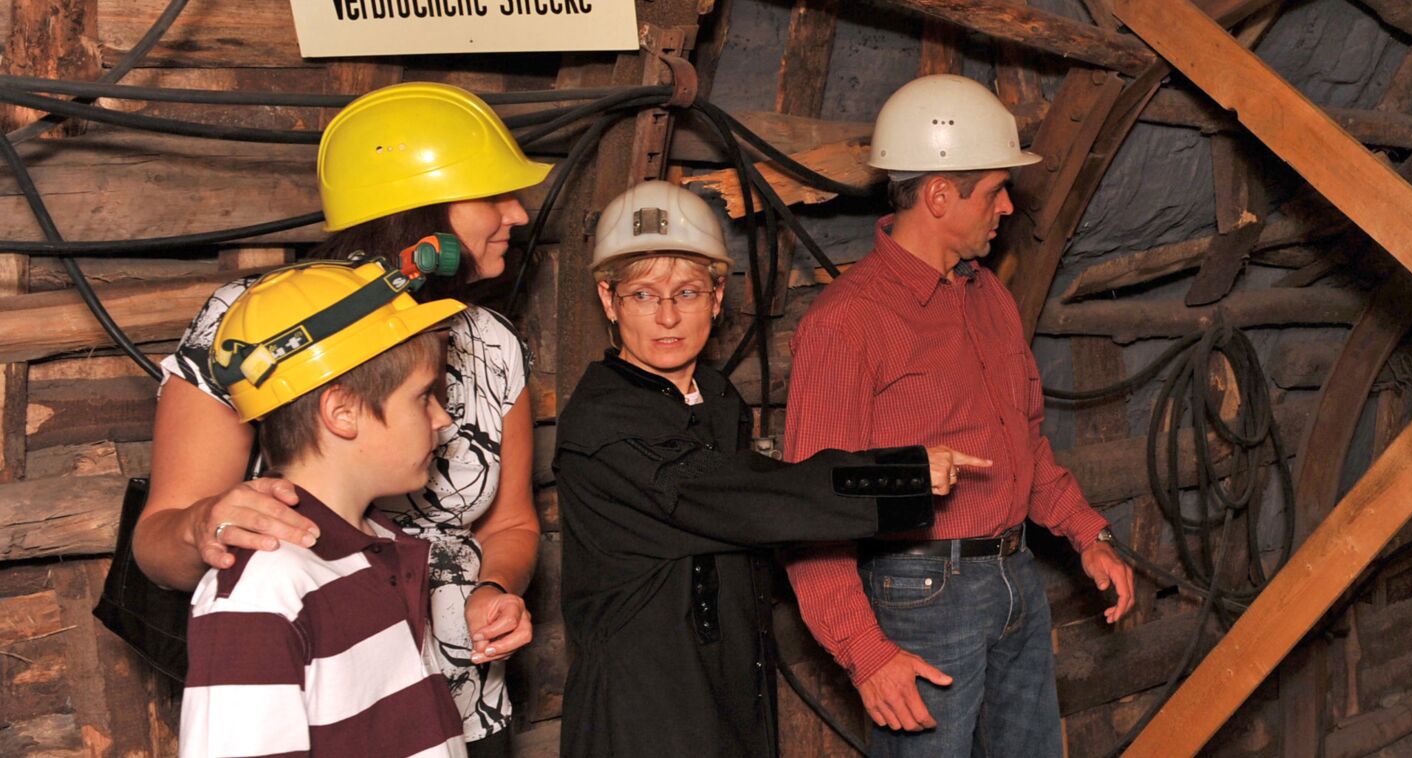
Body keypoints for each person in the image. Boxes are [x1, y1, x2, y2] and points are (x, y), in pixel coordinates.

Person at [138, 81, 546, 753]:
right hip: (322, 708)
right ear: (418, 213)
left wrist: (493, 590)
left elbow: (513, 523)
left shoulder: (493, 343)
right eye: (492, 194)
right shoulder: (260, 328)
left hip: (456, 707)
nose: (519, 214)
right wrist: (199, 526)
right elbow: (161, 539)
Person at [553, 180, 987, 757]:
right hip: (644, 706)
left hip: (730, 690)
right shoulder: (604, 422)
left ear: (715, 299)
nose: (666, 316)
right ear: (609, 301)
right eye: (641, 295)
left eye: (685, 292)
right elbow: (737, 498)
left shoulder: (714, 396)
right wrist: (898, 475)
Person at [782, 73, 1136, 756]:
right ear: (940, 194)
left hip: (1014, 576)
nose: (1008, 205)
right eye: (996, 188)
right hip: (920, 591)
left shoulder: (989, 300)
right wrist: (866, 652)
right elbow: (811, 507)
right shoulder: (848, 322)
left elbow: (1023, 443)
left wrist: (1087, 535)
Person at [179, 259, 469, 758]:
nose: (442, 419)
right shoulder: (266, 588)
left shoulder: (374, 550)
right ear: (342, 413)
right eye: (423, 397)